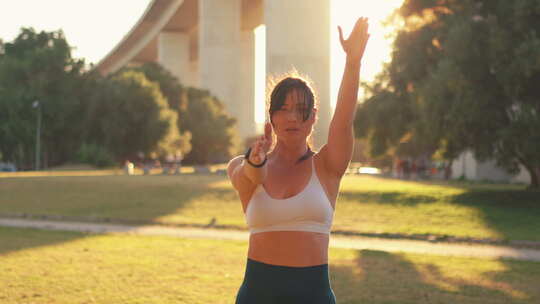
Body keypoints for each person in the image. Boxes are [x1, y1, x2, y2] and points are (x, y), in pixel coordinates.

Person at [227, 17, 370, 304]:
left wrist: (353, 62)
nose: (292, 117)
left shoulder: (327, 166)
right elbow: (250, 176)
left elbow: (343, 120)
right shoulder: (241, 166)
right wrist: (256, 160)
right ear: (272, 117)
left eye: (301, 110)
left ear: (314, 116)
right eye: (283, 109)